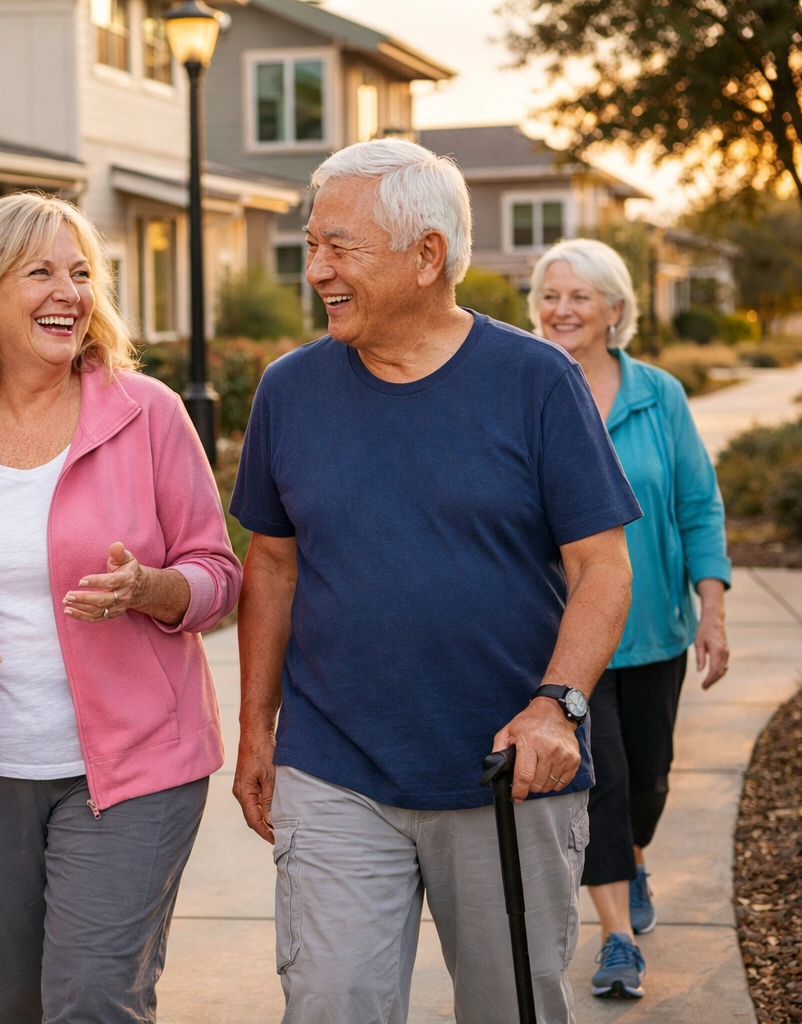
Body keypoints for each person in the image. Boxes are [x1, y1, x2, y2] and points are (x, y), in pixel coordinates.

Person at [229, 138, 642, 1023]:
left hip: (505, 774)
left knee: (509, 1008)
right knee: (331, 1004)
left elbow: (601, 564)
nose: (317, 271)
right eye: (312, 246)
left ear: (428, 256)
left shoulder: (536, 381)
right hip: (334, 766)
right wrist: (256, 730)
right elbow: (271, 563)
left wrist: (558, 703)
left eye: (340, 247)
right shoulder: (289, 390)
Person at [0, 192, 240, 1024]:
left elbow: (218, 572)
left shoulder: (150, 416)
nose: (69, 291)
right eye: (40, 272)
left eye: (81, 273)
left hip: (137, 767)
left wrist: (152, 588)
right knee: (14, 1004)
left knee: (96, 999)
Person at [530, 238, 731, 1000]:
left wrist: (711, 608)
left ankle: (635, 857)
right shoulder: (532, 390)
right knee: (600, 780)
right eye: (551, 296)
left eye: (579, 296)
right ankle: (616, 936)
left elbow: (696, 506)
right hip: (570, 638)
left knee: (647, 775)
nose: (562, 310)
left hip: (655, 633)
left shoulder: (659, 396)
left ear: (616, 308)